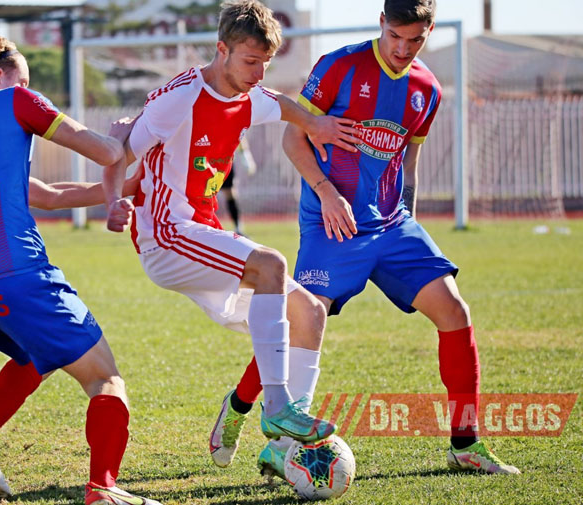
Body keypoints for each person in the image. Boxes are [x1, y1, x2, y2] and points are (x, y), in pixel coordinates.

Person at [214, 0, 520, 477]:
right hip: (331, 224)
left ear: (428, 32)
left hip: (393, 225)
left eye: (414, 40)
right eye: (395, 36)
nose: (402, 48)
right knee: (302, 321)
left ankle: (466, 444)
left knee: (454, 311)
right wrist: (326, 193)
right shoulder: (339, 66)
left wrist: (409, 221)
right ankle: (239, 406)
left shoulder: (427, 89)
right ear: (382, 23)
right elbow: (293, 139)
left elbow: (408, 162)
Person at [102, 0, 362, 467]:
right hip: (166, 233)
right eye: (250, 61)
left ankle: (280, 445)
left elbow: (279, 104)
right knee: (271, 264)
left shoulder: (248, 93)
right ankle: (278, 408)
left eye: (266, 63)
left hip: (201, 231)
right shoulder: (179, 98)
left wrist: (315, 124)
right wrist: (111, 197)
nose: (259, 73)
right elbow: (120, 151)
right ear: (221, 50)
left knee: (307, 314)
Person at [0, 30, 160, 505]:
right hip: (15, 275)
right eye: (25, 81)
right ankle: (104, 488)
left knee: (34, 356)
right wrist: (123, 136)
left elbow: (50, 196)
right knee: (105, 377)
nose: (31, 91)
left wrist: (127, 189)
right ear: (0, 78)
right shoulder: (16, 101)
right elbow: (107, 151)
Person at [221, 136, 257, 236]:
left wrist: (245, 156)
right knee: (204, 194)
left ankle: (238, 228)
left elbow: (240, 134)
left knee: (230, 193)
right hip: (206, 159)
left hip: (225, 160)